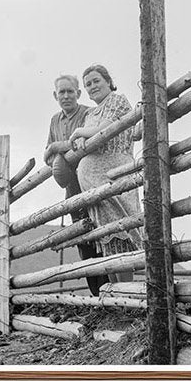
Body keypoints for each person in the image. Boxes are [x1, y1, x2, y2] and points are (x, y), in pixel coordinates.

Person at [69, 64, 143, 285]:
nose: (92, 86)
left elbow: (103, 131)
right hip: (93, 184)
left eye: (96, 81)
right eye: (88, 84)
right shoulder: (90, 113)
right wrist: (83, 137)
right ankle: (116, 293)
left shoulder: (117, 100)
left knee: (122, 231)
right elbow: (88, 140)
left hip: (115, 174)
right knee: (106, 236)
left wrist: (79, 133)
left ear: (108, 81)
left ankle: (128, 291)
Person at [43, 74, 108, 297]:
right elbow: (47, 156)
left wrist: (57, 148)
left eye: (70, 91)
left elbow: (84, 145)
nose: (66, 95)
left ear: (78, 93)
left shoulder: (88, 113)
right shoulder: (54, 120)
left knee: (101, 231)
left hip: (91, 180)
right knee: (83, 236)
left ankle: (111, 289)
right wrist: (58, 155)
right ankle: (96, 294)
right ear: (55, 95)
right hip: (72, 187)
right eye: (62, 92)